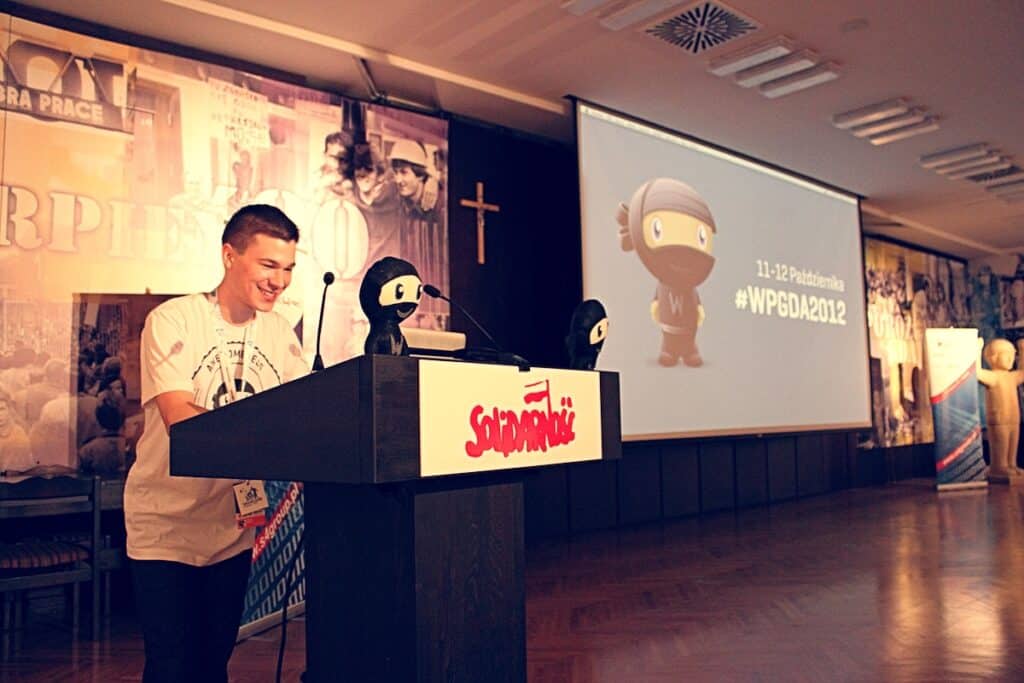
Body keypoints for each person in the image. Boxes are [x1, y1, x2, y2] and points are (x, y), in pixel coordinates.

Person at [125, 204, 307, 682]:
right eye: (269, 265)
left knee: (212, 664)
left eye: (288, 267)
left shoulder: (280, 333)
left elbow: (299, 418)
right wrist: (262, 435)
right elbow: (179, 417)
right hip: (165, 525)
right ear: (230, 255)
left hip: (231, 529)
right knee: (171, 666)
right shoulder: (175, 319)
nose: (280, 280)